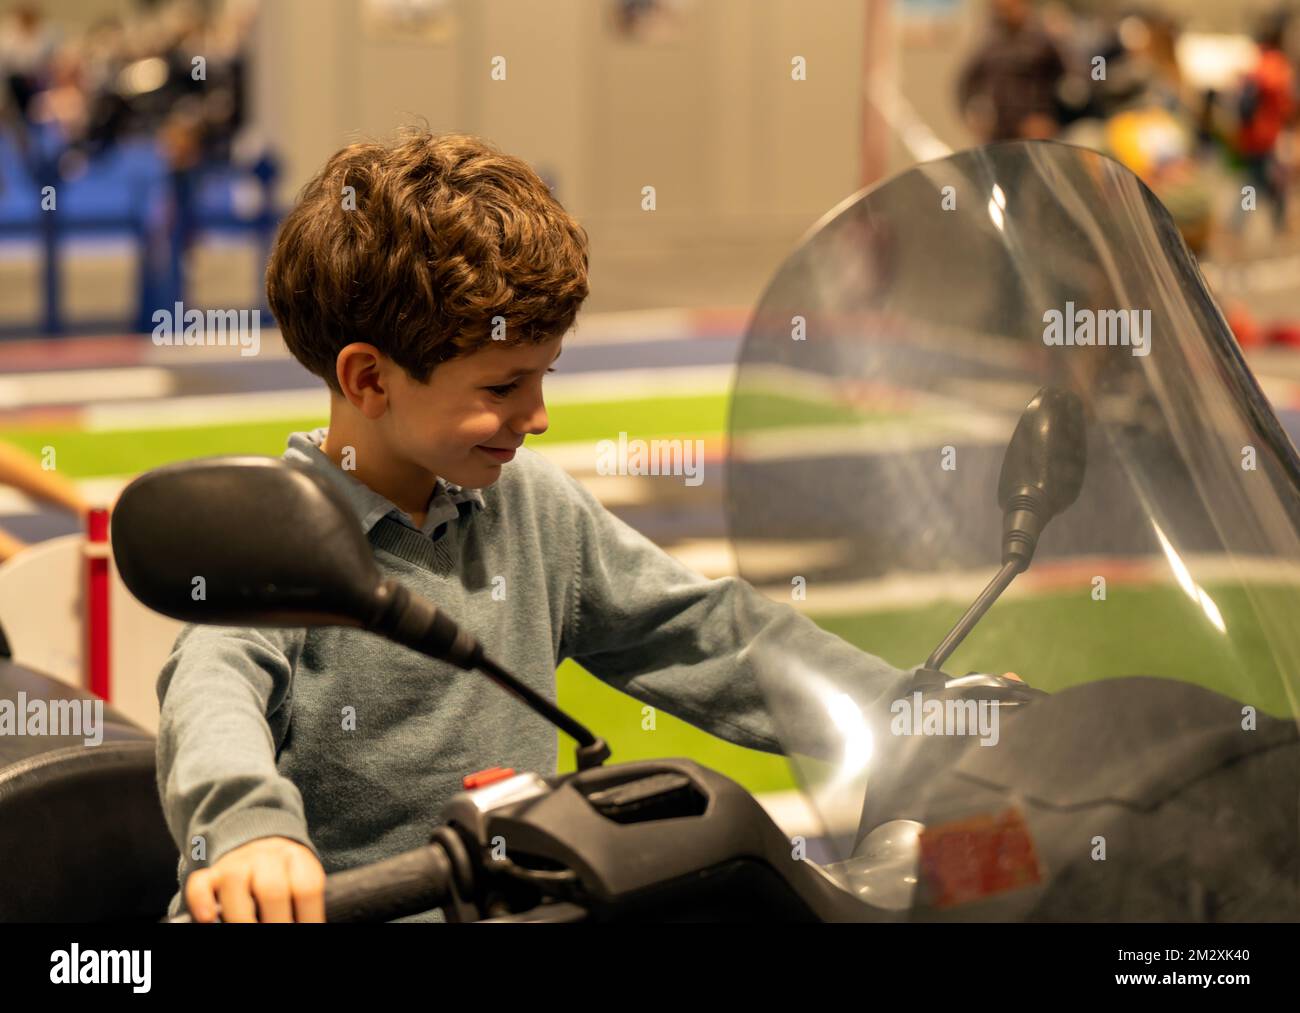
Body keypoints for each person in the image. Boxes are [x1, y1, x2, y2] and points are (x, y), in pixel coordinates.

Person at [156, 130, 941, 923]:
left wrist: (910, 708)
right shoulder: (276, 542)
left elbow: (703, 631)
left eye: (546, 374)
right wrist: (251, 833)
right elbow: (213, 690)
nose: (538, 416)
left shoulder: (531, 507)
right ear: (369, 378)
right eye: (504, 385)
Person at [956, 0, 1066, 143]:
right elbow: (967, 83)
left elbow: (1073, 80)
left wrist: (1052, 120)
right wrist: (973, 116)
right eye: (1000, 9)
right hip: (1000, 133)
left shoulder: (1044, 40)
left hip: (1035, 131)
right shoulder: (989, 45)